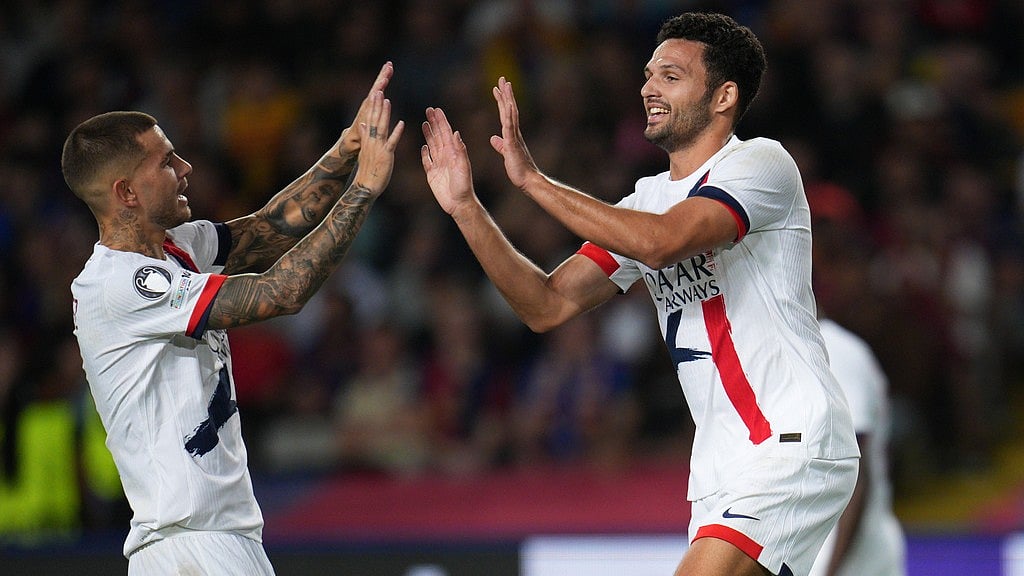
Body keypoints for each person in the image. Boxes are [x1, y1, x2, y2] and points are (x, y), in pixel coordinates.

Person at [421, 12, 859, 576]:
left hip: (788, 436)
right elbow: (546, 305)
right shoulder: (643, 202)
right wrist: (466, 209)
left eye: (671, 76)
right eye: (649, 74)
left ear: (723, 96)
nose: (649, 87)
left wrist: (531, 180)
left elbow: (662, 243)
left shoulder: (761, 165)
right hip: (720, 465)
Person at [61, 62, 404, 575]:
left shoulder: (176, 252)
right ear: (126, 193)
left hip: (206, 541)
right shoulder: (120, 284)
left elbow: (268, 228)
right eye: (165, 162)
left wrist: (346, 149)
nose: (185, 169)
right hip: (190, 544)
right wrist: (364, 190)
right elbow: (282, 292)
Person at [808, 317, 907, 576]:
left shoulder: (836, 351)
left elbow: (855, 472)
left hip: (853, 559)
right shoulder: (781, 347)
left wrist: (831, 571)